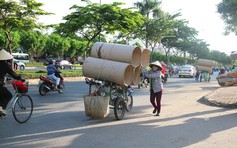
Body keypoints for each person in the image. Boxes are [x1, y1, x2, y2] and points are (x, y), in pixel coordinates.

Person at [0, 49, 24, 116]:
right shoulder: (4, 65)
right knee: (8, 95)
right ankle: (1, 109)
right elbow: (13, 74)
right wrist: (20, 78)